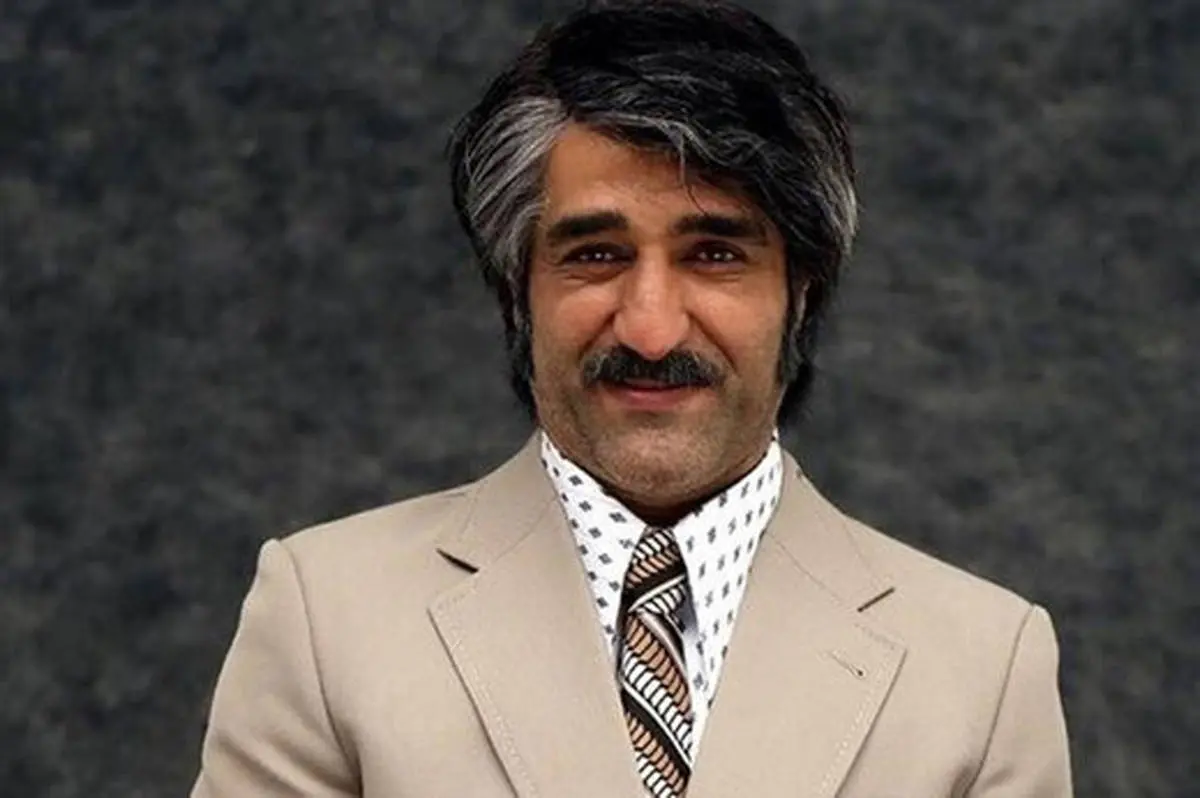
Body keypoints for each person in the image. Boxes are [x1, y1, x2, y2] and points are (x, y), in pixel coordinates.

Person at [189, 1, 1073, 796]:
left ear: (799, 295)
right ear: (518, 293)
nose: (650, 328)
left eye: (715, 254)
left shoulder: (985, 669)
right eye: (596, 255)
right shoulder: (326, 618)